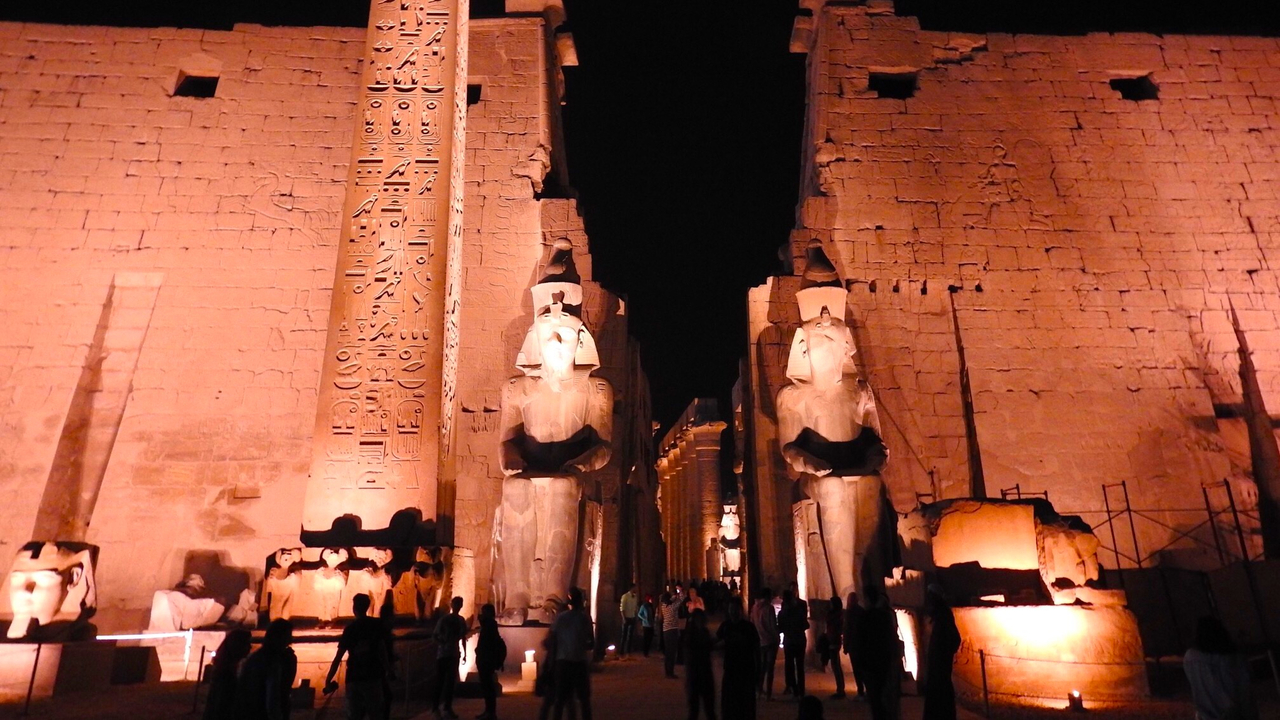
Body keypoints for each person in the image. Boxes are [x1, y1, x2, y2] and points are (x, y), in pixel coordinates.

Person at [323, 593, 392, 720]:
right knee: (375, 713)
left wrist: (328, 679)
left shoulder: (350, 629)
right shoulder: (375, 626)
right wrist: (388, 669)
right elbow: (382, 650)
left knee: (354, 714)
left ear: (354, 607)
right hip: (373, 675)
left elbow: (338, 657)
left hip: (354, 676)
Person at [1184, 615, 1258, 720]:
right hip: (1233, 713)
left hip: (1208, 715)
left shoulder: (1191, 658)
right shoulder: (1232, 658)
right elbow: (1245, 692)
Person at [236, 619, 297, 720]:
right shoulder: (271, 661)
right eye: (288, 636)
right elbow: (273, 697)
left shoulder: (255, 657)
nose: (290, 639)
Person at [856, 586, 902, 720]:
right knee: (883, 697)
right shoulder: (885, 617)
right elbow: (891, 638)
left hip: (871, 664)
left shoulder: (866, 617)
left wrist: (861, 663)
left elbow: (860, 641)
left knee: (876, 700)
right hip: (883, 661)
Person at [551, 587, 595, 720]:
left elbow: (553, 639)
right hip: (579, 662)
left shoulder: (561, 618)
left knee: (560, 699)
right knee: (584, 700)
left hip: (563, 661)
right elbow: (591, 643)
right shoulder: (584, 618)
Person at [716, 598, 759, 720]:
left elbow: (756, 650)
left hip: (746, 671)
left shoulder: (749, 627)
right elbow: (716, 641)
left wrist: (758, 673)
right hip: (730, 670)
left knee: (746, 707)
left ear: (740, 610)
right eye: (731, 610)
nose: (733, 612)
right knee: (729, 705)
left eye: (735, 609)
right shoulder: (725, 626)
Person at [922, 587, 960, 720]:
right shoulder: (938, 616)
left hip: (941, 668)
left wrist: (943, 655)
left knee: (941, 699)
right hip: (936, 668)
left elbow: (954, 639)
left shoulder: (943, 615)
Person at [431, 596, 468, 720]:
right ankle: (436, 707)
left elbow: (463, 637)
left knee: (450, 682)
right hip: (444, 654)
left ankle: (446, 707)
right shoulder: (445, 620)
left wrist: (464, 653)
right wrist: (442, 642)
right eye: (456, 603)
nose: (457, 606)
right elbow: (435, 636)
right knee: (441, 681)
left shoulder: (460, 620)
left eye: (459, 604)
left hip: (452, 654)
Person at [204, 628, 251, 720]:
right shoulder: (225, 675)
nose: (250, 647)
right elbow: (222, 705)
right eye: (247, 644)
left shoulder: (228, 669)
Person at [475, 603, 507, 720]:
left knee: (488, 686)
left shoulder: (490, 624)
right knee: (486, 686)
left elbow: (489, 642)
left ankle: (490, 712)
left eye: (484, 612)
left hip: (486, 659)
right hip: (485, 658)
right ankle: (488, 711)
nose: (482, 614)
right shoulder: (490, 624)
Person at [684, 609, 717, 720]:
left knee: (709, 709)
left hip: (705, 674)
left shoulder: (704, 632)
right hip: (695, 675)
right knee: (694, 709)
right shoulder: (690, 635)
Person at [778, 593, 809, 698]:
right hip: (800, 640)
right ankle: (801, 690)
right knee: (800, 667)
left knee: (790, 666)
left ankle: (794, 689)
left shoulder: (782, 613)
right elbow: (806, 625)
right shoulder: (799, 611)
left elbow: (780, 628)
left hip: (789, 641)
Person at [750, 588, 778, 700]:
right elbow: (772, 625)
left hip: (760, 641)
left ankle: (760, 689)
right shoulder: (769, 608)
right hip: (770, 641)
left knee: (762, 666)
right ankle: (769, 694)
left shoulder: (754, 608)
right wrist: (777, 638)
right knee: (770, 667)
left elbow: (752, 622)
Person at [842, 591, 866, 698]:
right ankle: (867, 689)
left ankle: (860, 690)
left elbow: (847, 629)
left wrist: (846, 645)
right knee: (863, 668)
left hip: (854, 644)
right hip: (862, 644)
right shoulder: (862, 611)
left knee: (857, 669)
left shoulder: (849, 612)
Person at [825, 596, 846, 699]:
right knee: (835, 665)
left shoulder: (835, 615)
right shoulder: (838, 615)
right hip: (834, 640)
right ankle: (840, 688)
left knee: (836, 665)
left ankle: (840, 689)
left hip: (834, 640)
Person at [661, 592, 682, 678]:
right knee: (672, 653)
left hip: (666, 631)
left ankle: (667, 672)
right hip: (672, 630)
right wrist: (679, 593)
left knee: (668, 652)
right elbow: (680, 600)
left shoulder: (663, 607)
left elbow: (672, 600)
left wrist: (673, 597)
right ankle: (671, 672)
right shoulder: (673, 607)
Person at [619, 583, 639, 657]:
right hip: (626, 617)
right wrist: (624, 618)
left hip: (632, 617)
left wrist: (636, 616)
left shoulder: (635, 597)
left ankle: (628, 652)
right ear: (632, 588)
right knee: (624, 635)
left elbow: (635, 608)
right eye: (635, 588)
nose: (636, 589)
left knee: (630, 635)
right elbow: (622, 608)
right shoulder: (625, 596)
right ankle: (621, 652)